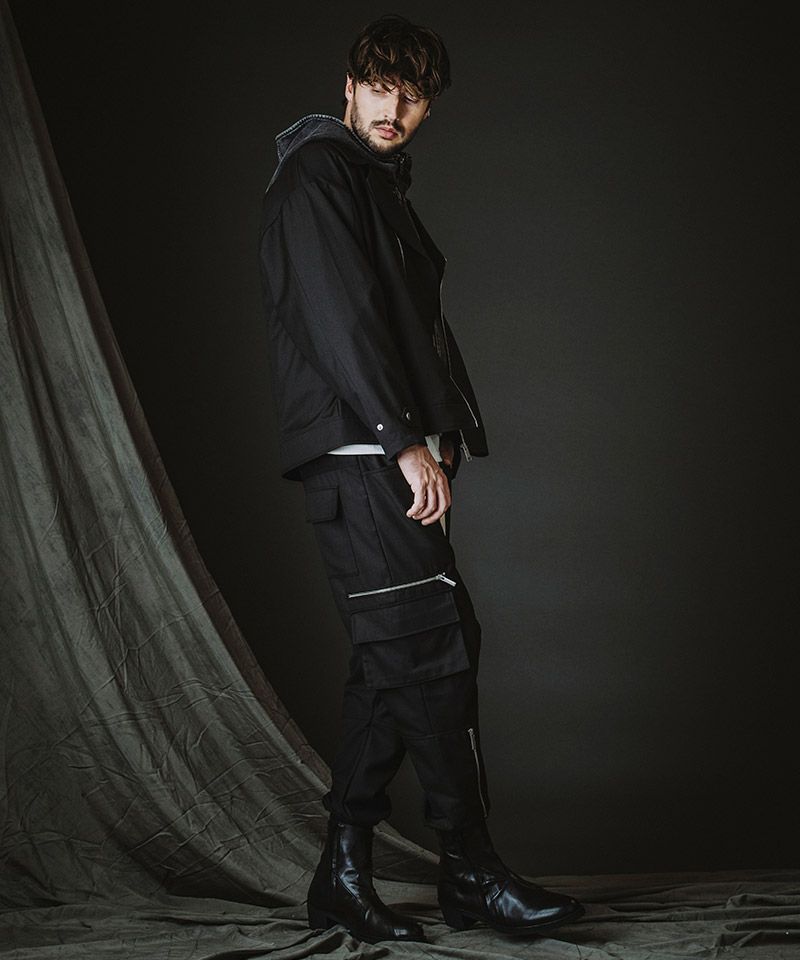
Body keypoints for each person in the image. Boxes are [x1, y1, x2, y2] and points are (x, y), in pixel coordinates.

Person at [258, 14, 584, 945]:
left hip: (388, 454)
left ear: (427, 105)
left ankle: (342, 872)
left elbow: (407, 325)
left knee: (397, 660)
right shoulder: (319, 174)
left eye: (411, 95)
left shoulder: (369, 181)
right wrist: (402, 441)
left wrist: (444, 438)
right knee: (431, 654)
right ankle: (472, 871)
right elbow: (342, 320)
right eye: (378, 87)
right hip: (362, 458)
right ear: (349, 83)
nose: (392, 108)